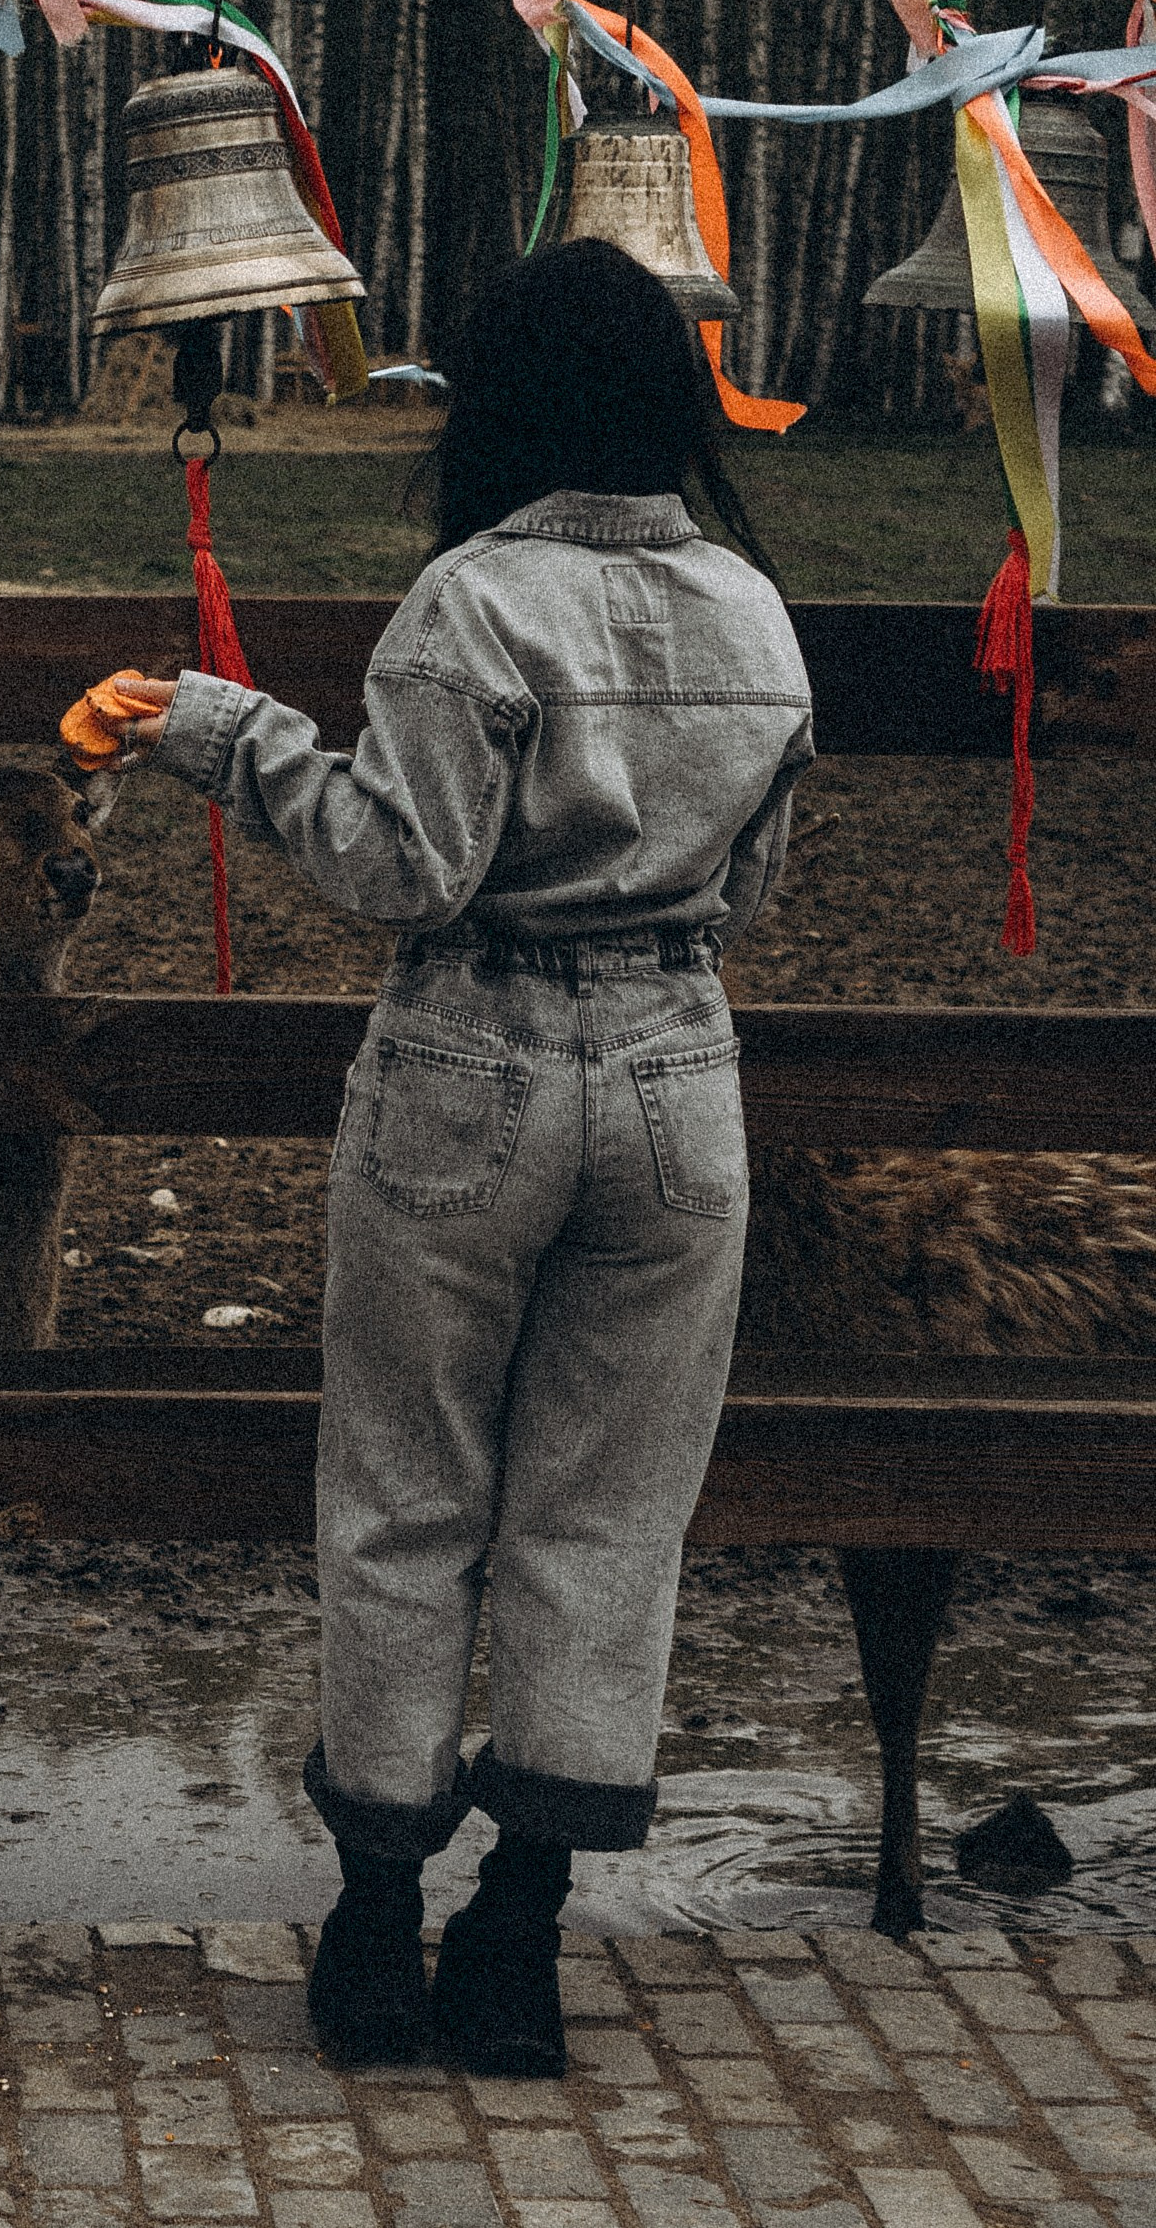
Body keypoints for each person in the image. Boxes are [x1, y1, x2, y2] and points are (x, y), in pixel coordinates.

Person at [110, 240, 814, 2075]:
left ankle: (369, 1928)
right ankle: (516, 1938)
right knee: (606, 1516)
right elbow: (749, 887)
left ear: (493, 403)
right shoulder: (753, 611)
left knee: (407, 1494)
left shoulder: (468, 602)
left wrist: (224, 731)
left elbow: (394, 869)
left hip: (471, 1066)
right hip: (677, 1079)